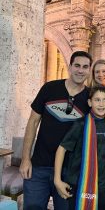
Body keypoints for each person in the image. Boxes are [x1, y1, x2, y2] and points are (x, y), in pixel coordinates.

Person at [19, 51, 92, 210]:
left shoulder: (89, 99)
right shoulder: (49, 88)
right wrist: (25, 158)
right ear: (70, 67)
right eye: (77, 65)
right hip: (39, 166)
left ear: (89, 70)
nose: (80, 70)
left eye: (85, 67)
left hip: (69, 171)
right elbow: (33, 122)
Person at [54, 85, 105, 210]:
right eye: (97, 100)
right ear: (90, 102)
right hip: (81, 182)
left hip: (103, 185)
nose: (101, 104)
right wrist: (57, 179)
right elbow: (61, 149)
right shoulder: (81, 124)